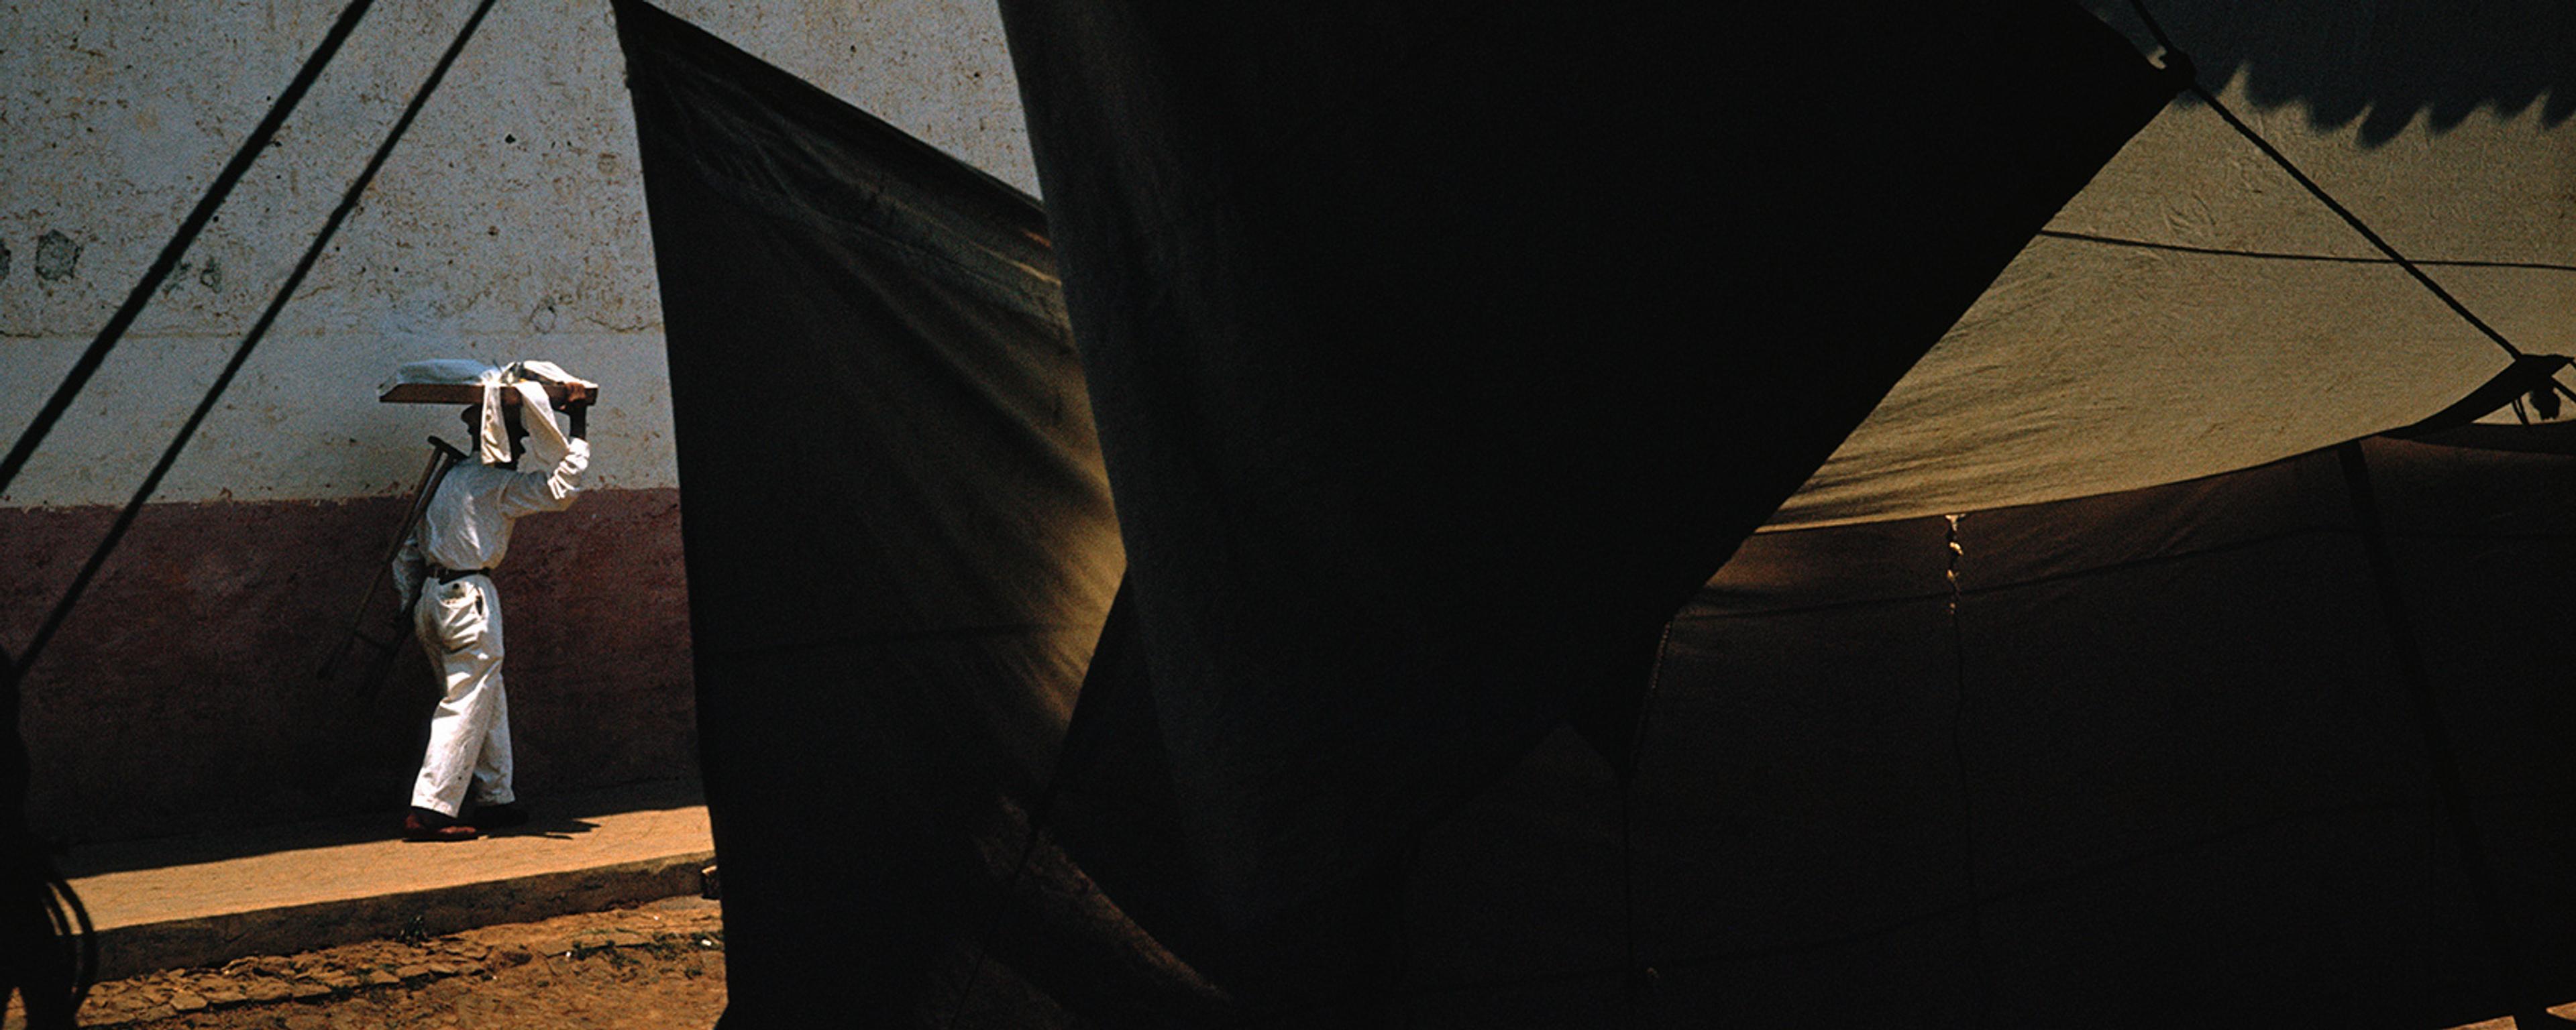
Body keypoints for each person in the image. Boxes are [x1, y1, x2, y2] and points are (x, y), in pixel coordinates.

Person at [390, 395, 589, 842]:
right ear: (499, 440)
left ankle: (496, 798)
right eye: (518, 438)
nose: (520, 449)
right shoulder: (494, 483)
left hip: (432, 598)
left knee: (484, 696)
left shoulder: (445, 479)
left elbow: (406, 552)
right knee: (466, 703)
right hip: (469, 598)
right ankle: (430, 811)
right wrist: (578, 427)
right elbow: (562, 491)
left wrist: (408, 605)